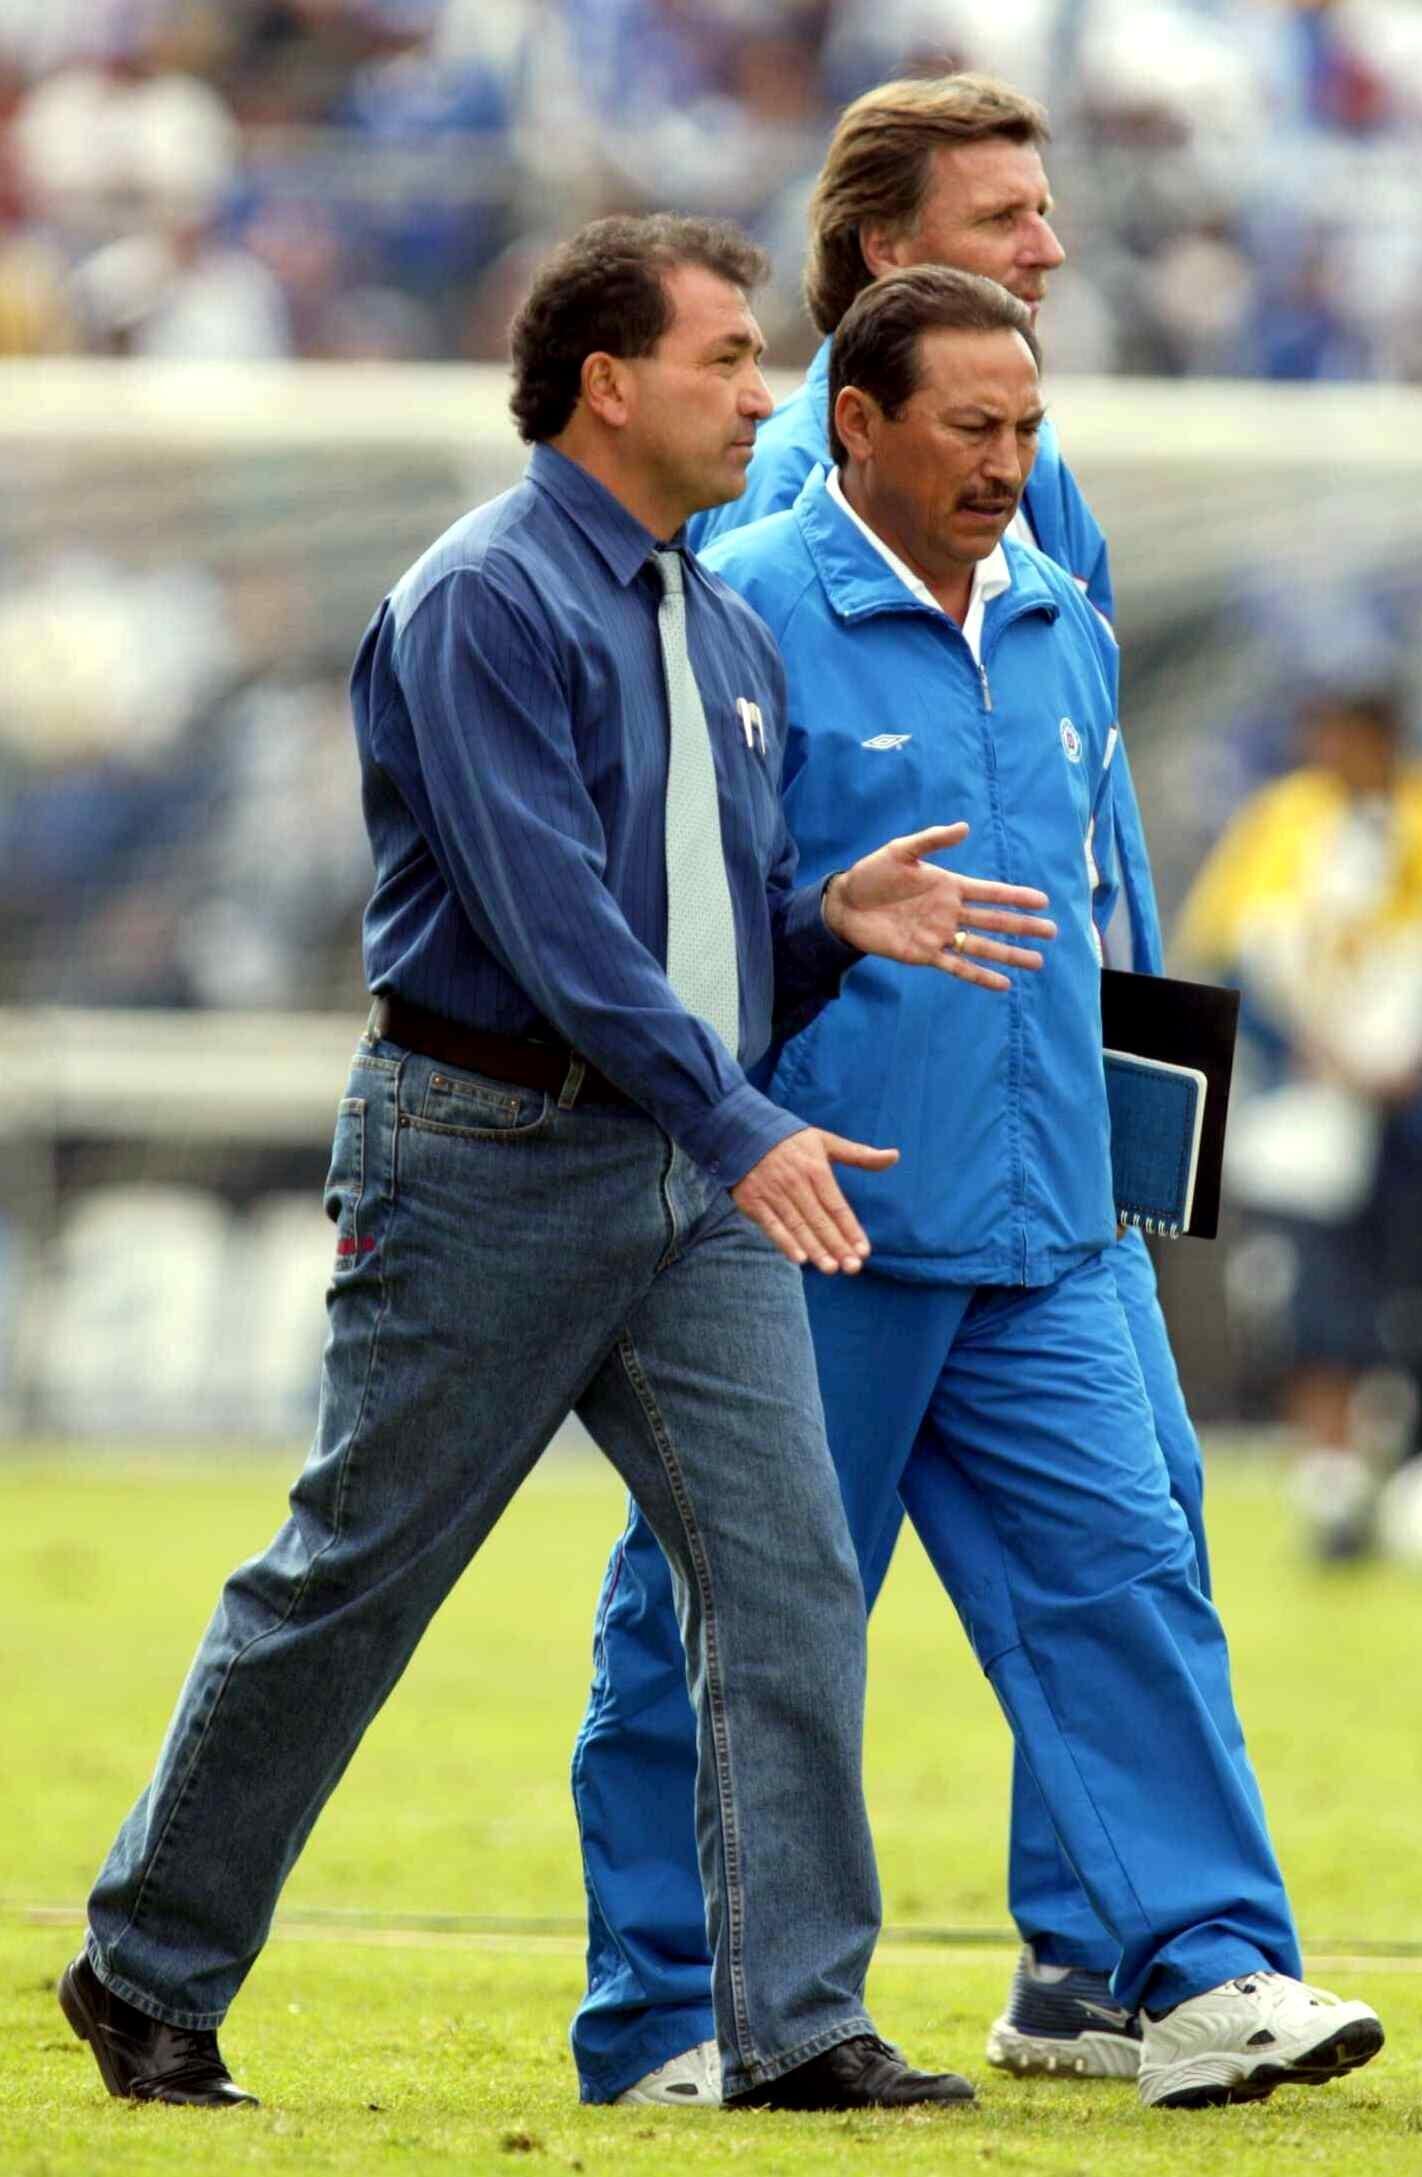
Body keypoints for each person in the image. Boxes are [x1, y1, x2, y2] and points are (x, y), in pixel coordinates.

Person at [57, 215, 1060, 2116]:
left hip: (683, 1178)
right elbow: (555, 928)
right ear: (608, 382)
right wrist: (747, 1117)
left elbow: (697, 927)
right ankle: (146, 1967)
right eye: (726, 359)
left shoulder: (717, 617)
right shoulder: (478, 598)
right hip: (485, 1159)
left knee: (786, 1582)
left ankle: (796, 2026)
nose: (764, 391)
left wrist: (823, 919)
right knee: (354, 1579)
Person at [574, 261, 1386, 2115]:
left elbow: (1106, 922)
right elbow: (665, 933)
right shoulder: (738, 615)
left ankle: (1204, 1975)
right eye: (970, 426)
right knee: (718, 1625)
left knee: (1130, 1582)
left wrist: (1138, 1164)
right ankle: (660, 2014)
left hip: (1039, 1231)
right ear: (852, 425)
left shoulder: (1062, 626)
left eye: (1026, 427)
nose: (1007, 463)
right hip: (811, 1226)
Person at [1177, 681, 1422, 1560]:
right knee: (1316, 1304)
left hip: (1406, 1115)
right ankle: (1332, 1488)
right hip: (1304, 1114)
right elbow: (1224, 948)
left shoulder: (1412, 819)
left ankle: (1391, 1478)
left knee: (1402, 1296)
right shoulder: (1284, 821)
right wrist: (1306, 1047)